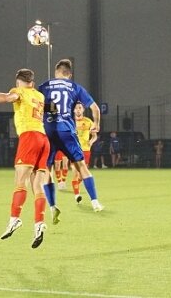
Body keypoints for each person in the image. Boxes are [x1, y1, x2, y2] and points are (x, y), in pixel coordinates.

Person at [0, 68, 50, 249]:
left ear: (18, 82)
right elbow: (52, 110)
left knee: (20, 182)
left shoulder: (18, 91)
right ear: (32, 83)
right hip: (44, 139)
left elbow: (6, 97)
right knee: (38, 185)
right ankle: (39, 223)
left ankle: (15, 219)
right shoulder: (40, 96)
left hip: (29, 137)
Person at [39, 58, 105, 223]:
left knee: (47, 168)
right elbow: (95, 108)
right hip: (67, 131)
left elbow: (37, 106)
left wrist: (49, 111)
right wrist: (96, 124)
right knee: (81, 166)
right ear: (69, 74)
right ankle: (95, 202)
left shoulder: (45, 86)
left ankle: (53, 206)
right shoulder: (75, 87)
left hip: (49, 131)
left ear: (56, 72)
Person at [70, 102, 97, 203]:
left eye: (80, 108)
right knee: (76, 173)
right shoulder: (70, 122)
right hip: (74, 151)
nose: (78, 110)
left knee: (82, 175)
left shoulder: (88, 122)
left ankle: (77, 187)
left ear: (83, 110)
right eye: (76, 108)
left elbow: (94, 136)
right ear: (73, 110)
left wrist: (91, 142)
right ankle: (77, 195)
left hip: (86, 150)